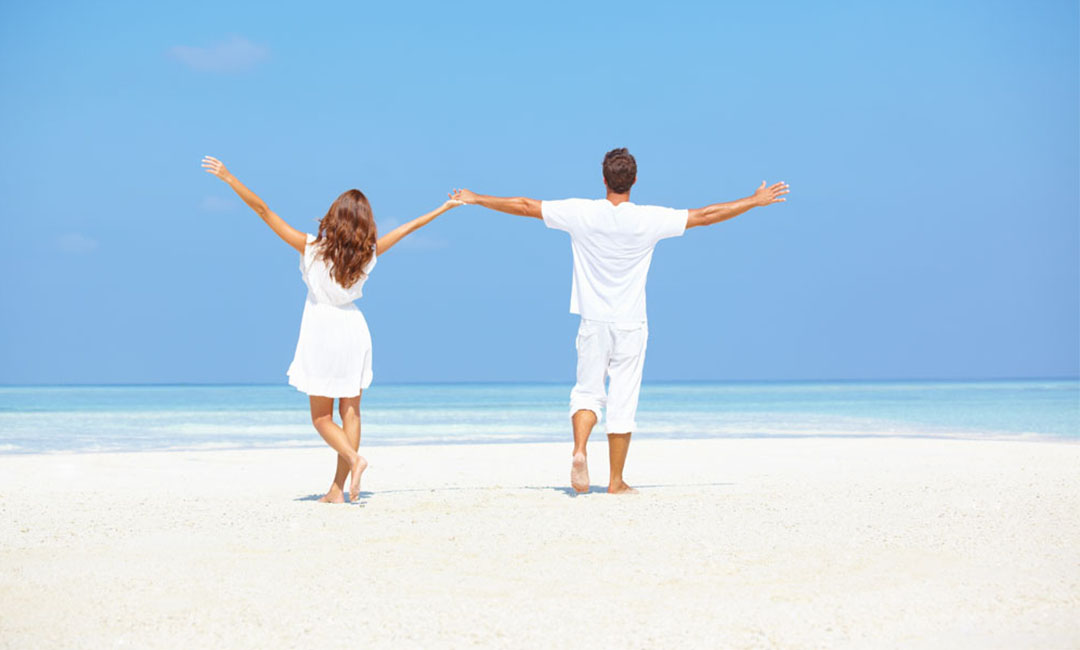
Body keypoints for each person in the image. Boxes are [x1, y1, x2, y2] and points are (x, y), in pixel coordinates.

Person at [451, 148, 788, 494]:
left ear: (604, 180)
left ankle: (580, 450)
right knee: (623, 399)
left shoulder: (580, 213)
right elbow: (705, 216)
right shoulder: (648, 219)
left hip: (593, 321)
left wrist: (476, 198)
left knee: (586, 392)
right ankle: (615, 481)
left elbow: (524, 205)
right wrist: (754, 200)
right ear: (635, 180)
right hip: (630, 323)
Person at [202, 156, 461, 503]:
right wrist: (443, 208)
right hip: (354, 329)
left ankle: (354, 460)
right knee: (350, 411)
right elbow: (407, 228)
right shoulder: (368, 254)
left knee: (321, 418)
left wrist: (230, 178)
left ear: (334, 217)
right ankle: (338, 490)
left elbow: (264, 211)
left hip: (322, 330)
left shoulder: (311, 247)